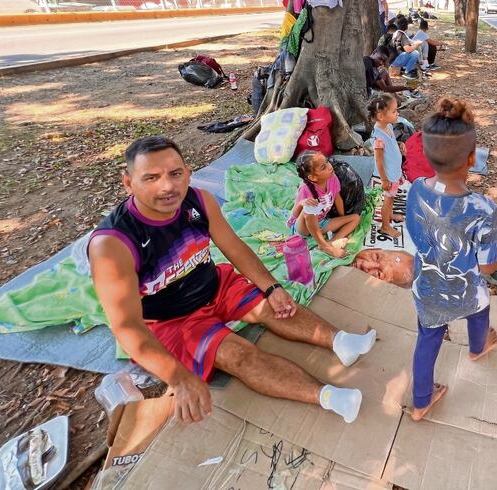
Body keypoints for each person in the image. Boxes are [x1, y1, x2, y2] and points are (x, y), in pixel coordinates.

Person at [89, 137, 376, 426]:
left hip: (216, 285)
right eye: (151, 178)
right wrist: (178, 377)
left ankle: (342, 341)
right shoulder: (112, 244)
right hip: (174, 320)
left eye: (175, 174)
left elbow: (235, 247)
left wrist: (272, 287)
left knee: (275, 305)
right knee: (238, 355)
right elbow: (127, 326)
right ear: (128, 183)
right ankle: (330, 397)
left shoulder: (198, 200)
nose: (167, 187)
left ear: (188, 172)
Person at [405, 98, 497, 421]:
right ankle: (478, 347)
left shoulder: (415, 190)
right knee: (480, 312)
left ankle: (421, 401)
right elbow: (488, 267)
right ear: (471, 158)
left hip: (427, 288)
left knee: (427, 340)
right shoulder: (482, 209)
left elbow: (413, 231)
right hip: (466, 290)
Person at [289, 151, 361, 259]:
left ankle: (331, 242)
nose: (329, 166)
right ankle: (325, 246)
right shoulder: (305, 189)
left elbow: (338, 199)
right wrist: (302, 203)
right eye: (323, 167)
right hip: (302, 228)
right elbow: (294, 215)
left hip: (321, 223)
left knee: (355, 218)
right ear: (313, 178)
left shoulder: (332, 178)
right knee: (310, 208)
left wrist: (341, 220)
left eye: (327, 161)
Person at [369, 93, 405, 238]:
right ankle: (385, 226)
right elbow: (378, 160)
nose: (398, 113)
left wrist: (400, 144)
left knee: (392, 198)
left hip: (393, 172)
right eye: (394, 111)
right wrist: (384, 180)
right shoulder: (378, 137)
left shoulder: (388, 126)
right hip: (388, 176)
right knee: (388, 200)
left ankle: (390, 214)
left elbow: (390, 145)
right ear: (381, 116)